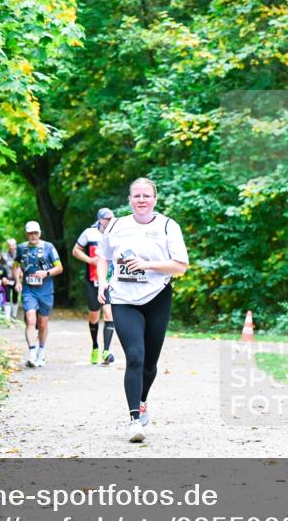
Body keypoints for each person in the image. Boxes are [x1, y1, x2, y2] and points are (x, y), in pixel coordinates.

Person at [97, 178, 189, 442]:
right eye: (136, 195)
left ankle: (143, 398)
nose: (141, 200)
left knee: (149, 363)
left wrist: (147, 265)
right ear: (129, 199)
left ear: (155, 199)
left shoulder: (168, 226)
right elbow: (102, 256)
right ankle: (134, 419)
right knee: (135, 357)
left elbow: (180, 266)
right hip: (124, 298)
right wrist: (103, 282)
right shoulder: (116, 225)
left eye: (146, 195)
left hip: (157, 297)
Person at [13, 221, 63, 367]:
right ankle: (32, 354)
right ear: (26, 234)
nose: (33, 235)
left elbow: (59, 268)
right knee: (30, 319)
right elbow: (16, 266)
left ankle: (41, 352)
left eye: (35, 233)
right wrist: (17, 281)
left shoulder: (48, 247)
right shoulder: (21, 248)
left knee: (42, 323)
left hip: (46, 290)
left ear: (39, 233)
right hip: (29, 290)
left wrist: (46, 272)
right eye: (30, 233)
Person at [72, 207, 116, 365]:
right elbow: (76, 250)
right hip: (92, 280)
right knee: (94, 316)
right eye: (107, 219)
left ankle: (106, 351)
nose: (110, 221)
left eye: (112, 218)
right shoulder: (89, 233)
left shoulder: (117, 233)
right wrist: (90, 260)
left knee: (108, 314)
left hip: (110, 281)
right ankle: (95, 347)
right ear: (100, 220)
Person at [1, 238, 20, 318]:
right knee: (7, 297)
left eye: (13, 245)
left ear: (15, 246)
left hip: (16, 279)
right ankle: (7, 317)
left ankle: (14, 315)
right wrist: (2, 277)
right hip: (7, 279)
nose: (11, 247)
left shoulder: (19, 255)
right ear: (7, 246)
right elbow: (0, 267)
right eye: (9, 245)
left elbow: (22, 266)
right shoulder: (3, 255)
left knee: (15, 296)